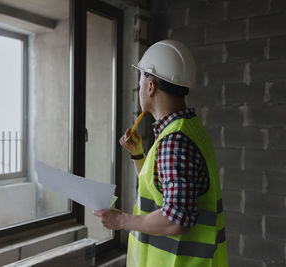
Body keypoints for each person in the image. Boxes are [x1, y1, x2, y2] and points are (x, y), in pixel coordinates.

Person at [93, 40, 228, 267]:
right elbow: (162, 192)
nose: (139, 88)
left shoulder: (175, 140)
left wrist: (122, 221)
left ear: (151, 86)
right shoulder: (186, 128)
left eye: (141, 80)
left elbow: (177, 219)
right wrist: (138, 155)